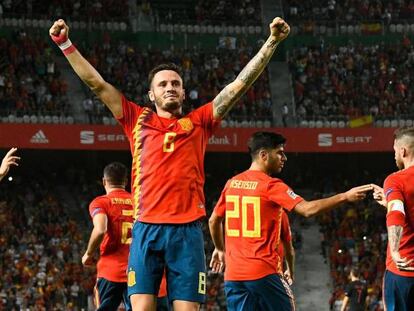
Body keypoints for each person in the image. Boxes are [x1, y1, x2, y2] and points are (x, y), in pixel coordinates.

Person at [49, 16, 290, 310]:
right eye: (162, 84)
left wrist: (272, 42)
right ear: (151, 94)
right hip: (146, 229)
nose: (170, 87)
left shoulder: (199, 122)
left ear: (184, 92)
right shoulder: (136, 120)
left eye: (176, 83)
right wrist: (65, 44)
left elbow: (237, 86)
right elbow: (96, 84)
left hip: (186, 232)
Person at [209, 131, 373, 311]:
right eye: (280, 152)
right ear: (264, 155)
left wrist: (219, 248)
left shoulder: (231, 184)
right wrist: (345, 196)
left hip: (234, 276)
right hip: (263, 272)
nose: (284, 157)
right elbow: (307, 210)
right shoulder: (271, 185)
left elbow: (214, 220)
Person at [82, 162, 167, 310]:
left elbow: (101, 229)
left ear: (104, 181)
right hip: (137, 269)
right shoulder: (140, 202)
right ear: (126, 181)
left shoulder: (101, 202)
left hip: (110, 271)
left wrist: (88, 253)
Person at [372, 127, 414, 311]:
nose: (394, 155)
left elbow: (397, 212)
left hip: (404, 271)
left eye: (395, 151)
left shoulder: (396, 180)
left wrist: (396, 250)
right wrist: (389, 201)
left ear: (403, 151)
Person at [278, 211, 294, 285]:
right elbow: (307, 210)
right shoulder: (279, 213)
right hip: (270, 272)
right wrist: (290, 271)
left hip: (240, 275)